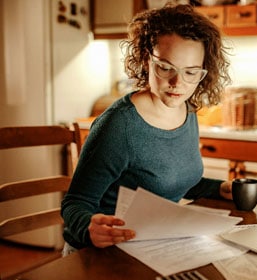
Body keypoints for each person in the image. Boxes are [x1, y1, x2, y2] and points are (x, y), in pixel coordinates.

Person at [61, 3, 233, 252]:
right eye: (165, 68)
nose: (178, 83)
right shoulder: (119, 126)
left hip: (153, 245)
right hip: (102, 253)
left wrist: (219, 188)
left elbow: (169, 182)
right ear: (145, 59)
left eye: (191, 72)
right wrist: (89, 228)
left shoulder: (187, 109)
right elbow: (75, 203)